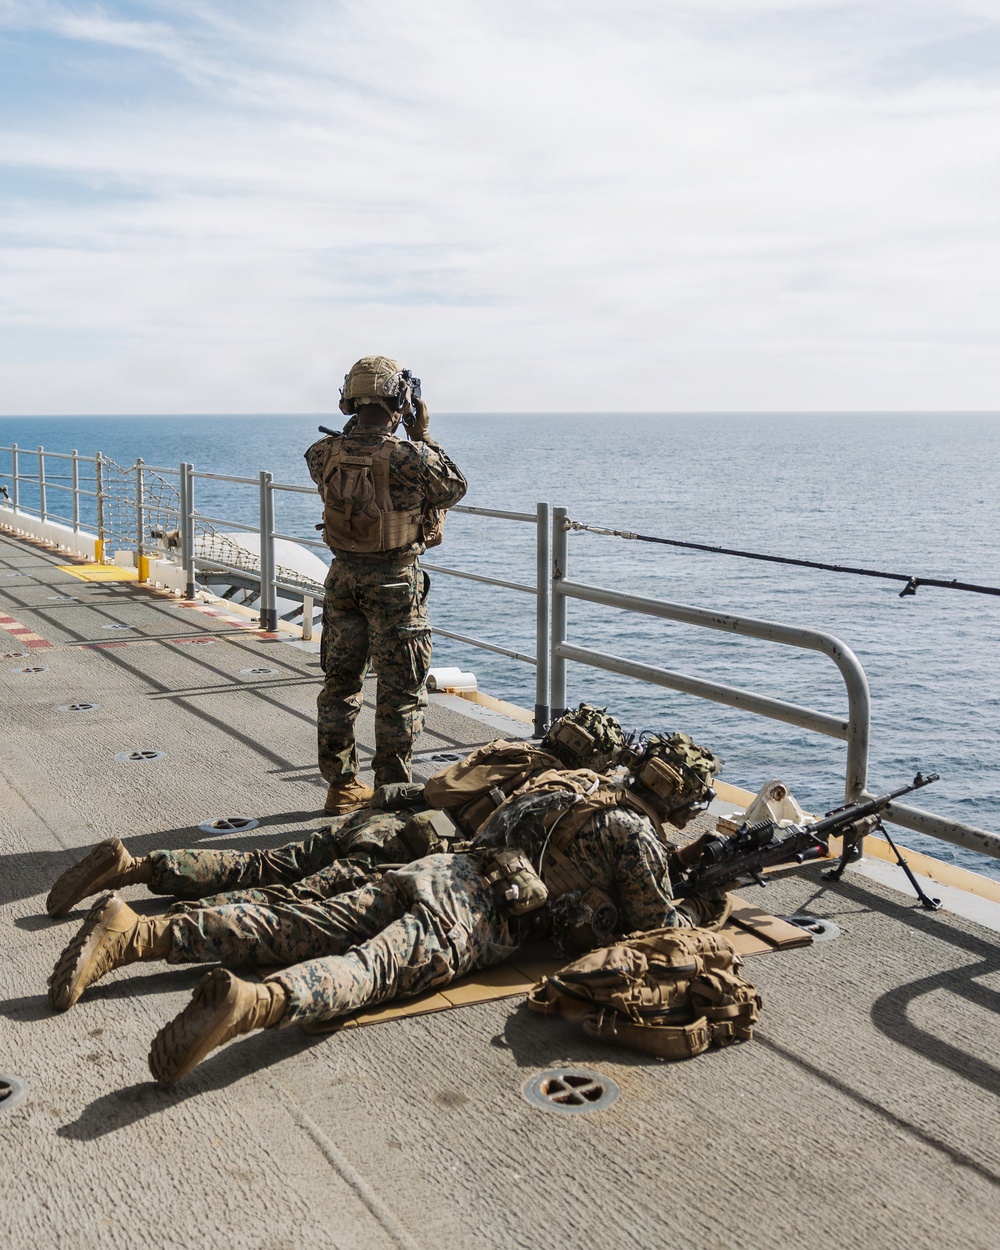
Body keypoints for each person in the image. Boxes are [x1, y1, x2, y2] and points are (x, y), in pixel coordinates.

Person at [46, 732, 726, 1086]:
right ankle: (255, 1006)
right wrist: (701, 904)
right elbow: (655, 931)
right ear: (682, 803)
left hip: (432, 868)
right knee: (366, 972)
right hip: (476, 917)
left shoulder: (564, 781)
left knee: (294, 920)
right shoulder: (634, 834)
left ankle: (136, 934)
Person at [43, 704, 626, 918]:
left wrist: (371, 804)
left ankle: (134, 867)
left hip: (379, 820)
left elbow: (430, 791)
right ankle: (146, 926)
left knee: (265, 864)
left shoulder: (506, 752)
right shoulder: (559, 791)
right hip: (410, 848)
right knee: (290, 900)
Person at [305, 356, 467, 815]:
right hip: (394, 582)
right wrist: (421, 434)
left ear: (350, 400)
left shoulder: (322, 454)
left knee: (340, 685)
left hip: (342, 579)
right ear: (401, 400)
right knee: (400, 692)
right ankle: (391, 795)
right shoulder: (409, 457)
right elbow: (454, 486)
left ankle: (340, 786)